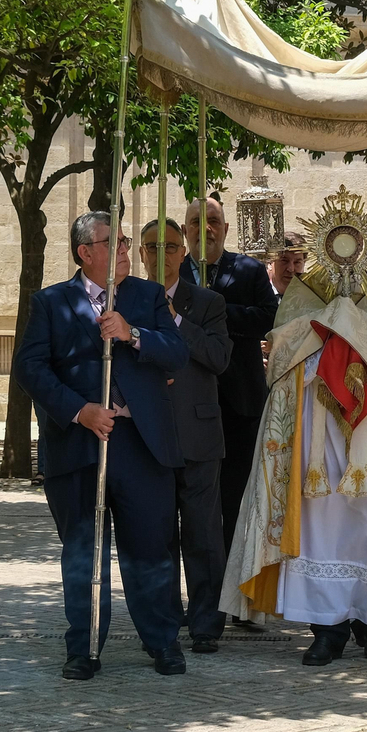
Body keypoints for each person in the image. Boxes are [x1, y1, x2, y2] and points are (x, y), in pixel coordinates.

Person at [222, 187, 367, 665]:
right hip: (316, 438)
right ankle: (326, 628)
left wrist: (357, 332)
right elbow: (281, 356)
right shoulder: (304, 296)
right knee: (319, 529)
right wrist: (327, 330)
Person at [16, 212, 191, 679]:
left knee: (151, 548)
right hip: (78, 444)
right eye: (111, 242)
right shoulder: (51, 303)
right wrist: (80, 410)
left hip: (139, 444)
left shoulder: (148, 296)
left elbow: (177, 353)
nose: (124, 251)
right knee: (82, 552)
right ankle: (85, 647)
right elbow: (31, 370)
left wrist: (133, 334)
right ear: (84, 252)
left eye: (126, 241)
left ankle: (163, 641)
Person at [181, 197, 279, 628]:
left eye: (214, 220)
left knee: (237, 504)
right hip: (187, 404)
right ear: (185, 231)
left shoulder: (250, 271)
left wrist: (213, 309)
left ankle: (239, 599)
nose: (206, 228)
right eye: (196, 221)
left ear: (226, 228)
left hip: (240, 404)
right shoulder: (174, 272)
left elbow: (267, 318)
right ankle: (200, 600)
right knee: (195, 508)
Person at [141, 217, 233, 652]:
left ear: (184, 253)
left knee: (202, 534)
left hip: (198, 434)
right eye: (152, 247)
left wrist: (176, 319)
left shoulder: (209, 302)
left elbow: (218, 357)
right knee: (156, 535)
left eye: (171, 247)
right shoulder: (126, 299)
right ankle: (161, 622)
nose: (162, 255)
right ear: (141, 254)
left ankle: (206, 624)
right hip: (148, 435)